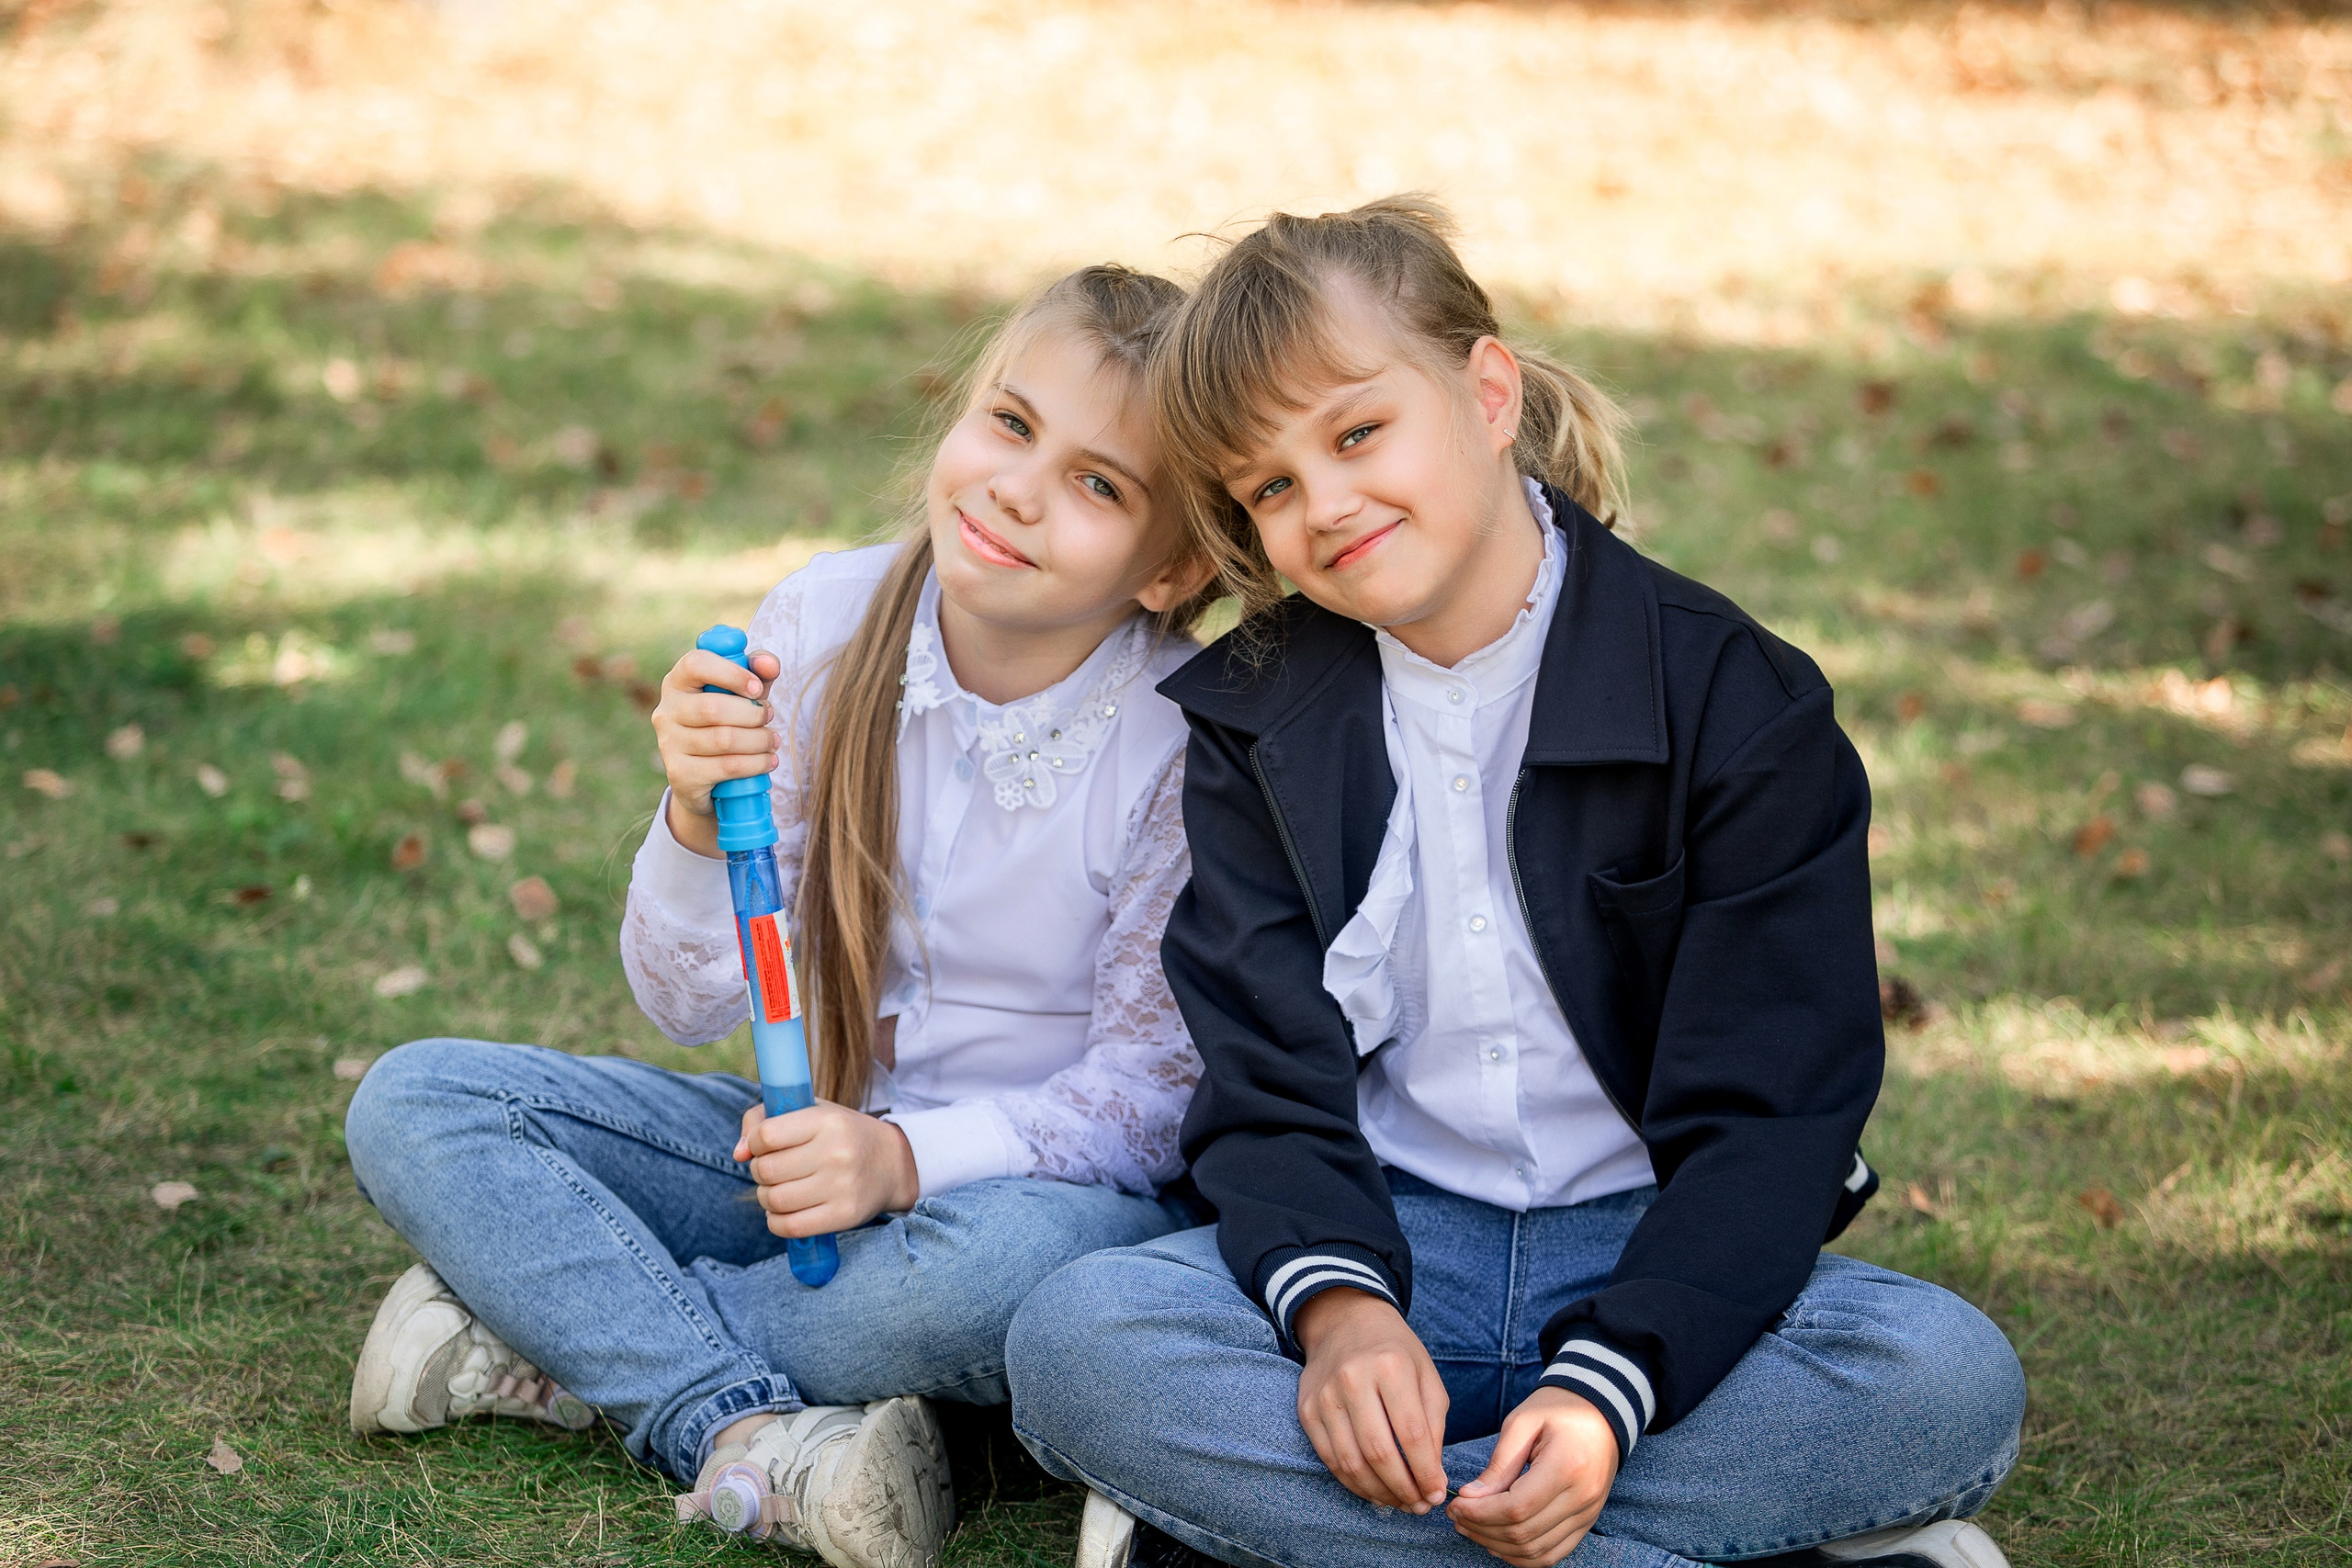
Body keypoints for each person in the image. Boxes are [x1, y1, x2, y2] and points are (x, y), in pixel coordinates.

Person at [1005, 200, 2027, 1568]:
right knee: (1079, 1341)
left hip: (1652, 1248)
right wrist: (1338, 1313)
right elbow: (1263, 1080)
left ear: (1489, 394)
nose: (1329, 505)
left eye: (1359, 433)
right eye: (1271, 487)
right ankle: (1630, 1539)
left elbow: (1775, 1113)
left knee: (1944, 1378)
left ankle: (1311, 1534)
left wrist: (1617, 1393)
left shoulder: (1734, 699)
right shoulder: (1261, 716)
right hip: (1392, 1240)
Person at [343, 265, 1216, 1568]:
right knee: (421, 1102)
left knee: (1025, 1287)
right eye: (1012, 423)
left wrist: (906, 1164)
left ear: (1174, 566)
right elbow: (691, 1001)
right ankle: (756, 1427)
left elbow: (1150, 1099)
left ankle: (546, 1337)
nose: (1021, 488)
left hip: (1021, 1202)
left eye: (1101, 484)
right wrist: (695, 820)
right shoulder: (823, 625)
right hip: (797, 1158)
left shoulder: (1184, 742)